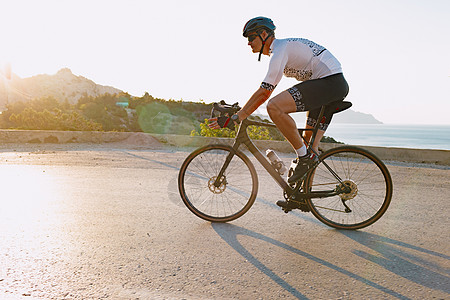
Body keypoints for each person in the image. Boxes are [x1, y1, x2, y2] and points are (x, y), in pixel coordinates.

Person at [209, 16, 349, 185]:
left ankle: (303, 158)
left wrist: (238, 117)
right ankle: (304, 196)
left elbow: (264, 93)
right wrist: (240, 112)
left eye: (251, 37)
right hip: (330, 85)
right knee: (310, 146)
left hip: (330, 82)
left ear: (263, 34)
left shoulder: (280, 49)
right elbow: (264, 90)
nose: (248, 43)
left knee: (274, 107)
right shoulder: (281, 51)